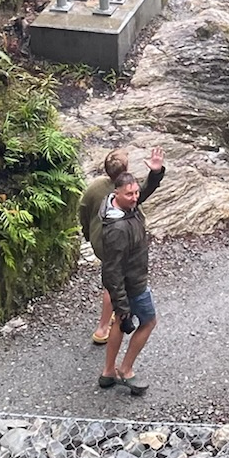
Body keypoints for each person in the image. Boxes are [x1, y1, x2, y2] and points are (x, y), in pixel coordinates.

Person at [78, 148, 163, 344]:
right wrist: (155, 173)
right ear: (125, 171)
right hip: (117, 242)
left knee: (112, 275)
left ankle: (111, 319)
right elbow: (144, 191)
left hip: (99, 241)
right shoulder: (125, 192)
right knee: (113, 280)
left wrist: (87, 233)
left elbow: (83, 210)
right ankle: (103, 326)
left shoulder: (96, 186)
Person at [98, 167, 159, 397]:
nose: (135, 197)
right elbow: (112, 271)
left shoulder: (118, 206)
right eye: (130, 194)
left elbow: (141, 194)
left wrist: (155, 173)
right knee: (149, 321)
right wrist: (122, 304)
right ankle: (126, 369)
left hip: (129, 284)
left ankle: (108, 372)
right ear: (118, 193)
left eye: (136, 193)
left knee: (118, 323)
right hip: (133, 285)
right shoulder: (118, 229)